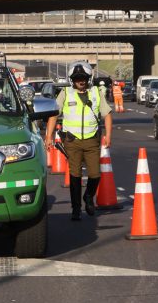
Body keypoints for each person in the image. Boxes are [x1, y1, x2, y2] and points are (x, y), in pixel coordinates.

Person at [44, 62, 113, 221]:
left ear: (88, 79)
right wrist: (48, 137)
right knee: (75, 175)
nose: (80, 81)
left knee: (95, 174)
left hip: (92, 140)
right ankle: (76, 209)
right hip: (72, 141)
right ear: (72, 80)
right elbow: (54, 115)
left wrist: (108, 135)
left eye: (83, 78)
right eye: (77, 78)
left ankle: (88, 197)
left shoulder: (96, 92)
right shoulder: (65, 93)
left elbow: (107, 114)